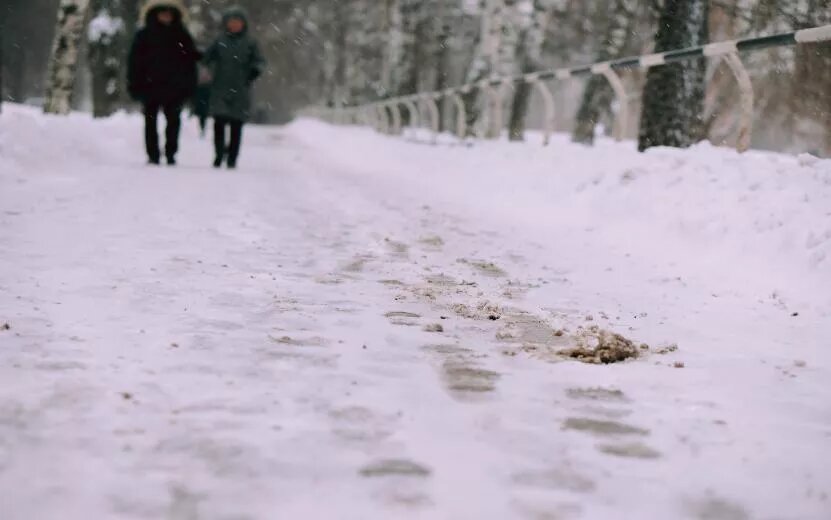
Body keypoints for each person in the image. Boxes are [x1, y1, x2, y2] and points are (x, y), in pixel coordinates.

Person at [127, 0, 200, 166]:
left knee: (173, 121)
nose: (166, 16)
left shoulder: (181, 35)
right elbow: (134, 62)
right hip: (150, 86)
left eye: (169, 13)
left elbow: (190, 62)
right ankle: (153, 154)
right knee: (150, 122)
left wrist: (189, 85)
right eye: (163, 12)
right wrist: (134, 83)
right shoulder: (144, 35)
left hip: (174, 87)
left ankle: (170, 153)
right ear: (155, 14)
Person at [203, 7, 265, 169]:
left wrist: (254, 71)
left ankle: (232, 157)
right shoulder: (219, 41)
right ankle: (218, 154)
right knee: (219, 123)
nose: (235, 25)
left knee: (236, 125)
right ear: (226, 24)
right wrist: (205, 69)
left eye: (238, 22)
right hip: (220, 87)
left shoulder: (251, 43)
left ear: (243, 24)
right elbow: (206, 57)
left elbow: (259, 61)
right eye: (232, 22)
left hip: (241, 89)